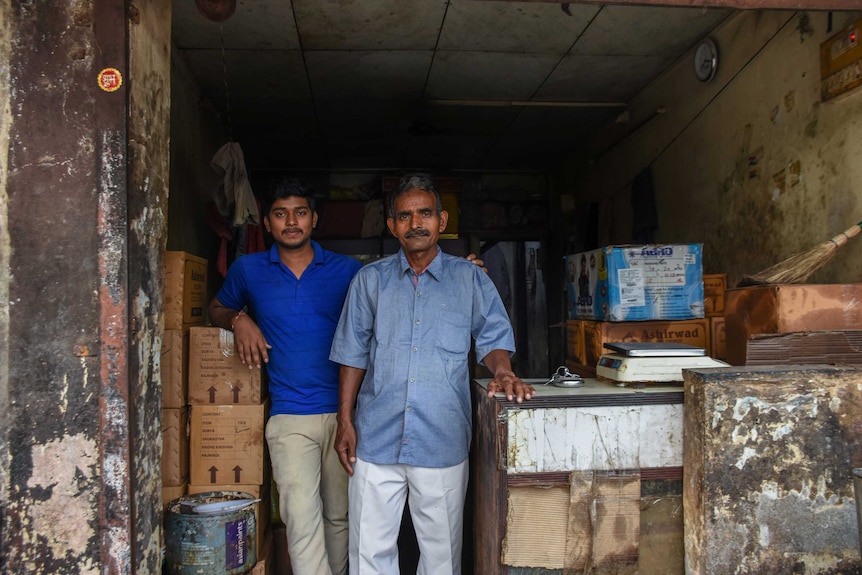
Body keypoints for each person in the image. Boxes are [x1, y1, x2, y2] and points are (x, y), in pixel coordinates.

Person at [208, 178, 487, 575]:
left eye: (300, 212)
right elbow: (216, 307)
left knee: (343, 519)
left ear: (314, 219)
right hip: (295, 414)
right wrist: (238, 319)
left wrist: (464, 272)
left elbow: (404, 295)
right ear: (266, 224)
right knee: (302, 519)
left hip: (355, 419)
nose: (291, 222)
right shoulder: (248, 270)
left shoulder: (350, 272)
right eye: (280, 214)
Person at [329, 174, 535, 575]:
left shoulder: (470, 278)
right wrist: (345, 418)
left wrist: (504, 371)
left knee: (440, 558)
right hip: (375, 438)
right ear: (392, 226)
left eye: (424, 213)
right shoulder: (370, 282)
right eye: (404, 216)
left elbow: (492, 337)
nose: (415, 223)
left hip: (441, 438)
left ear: (442, 221)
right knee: (369, 552)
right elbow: (352, 354)